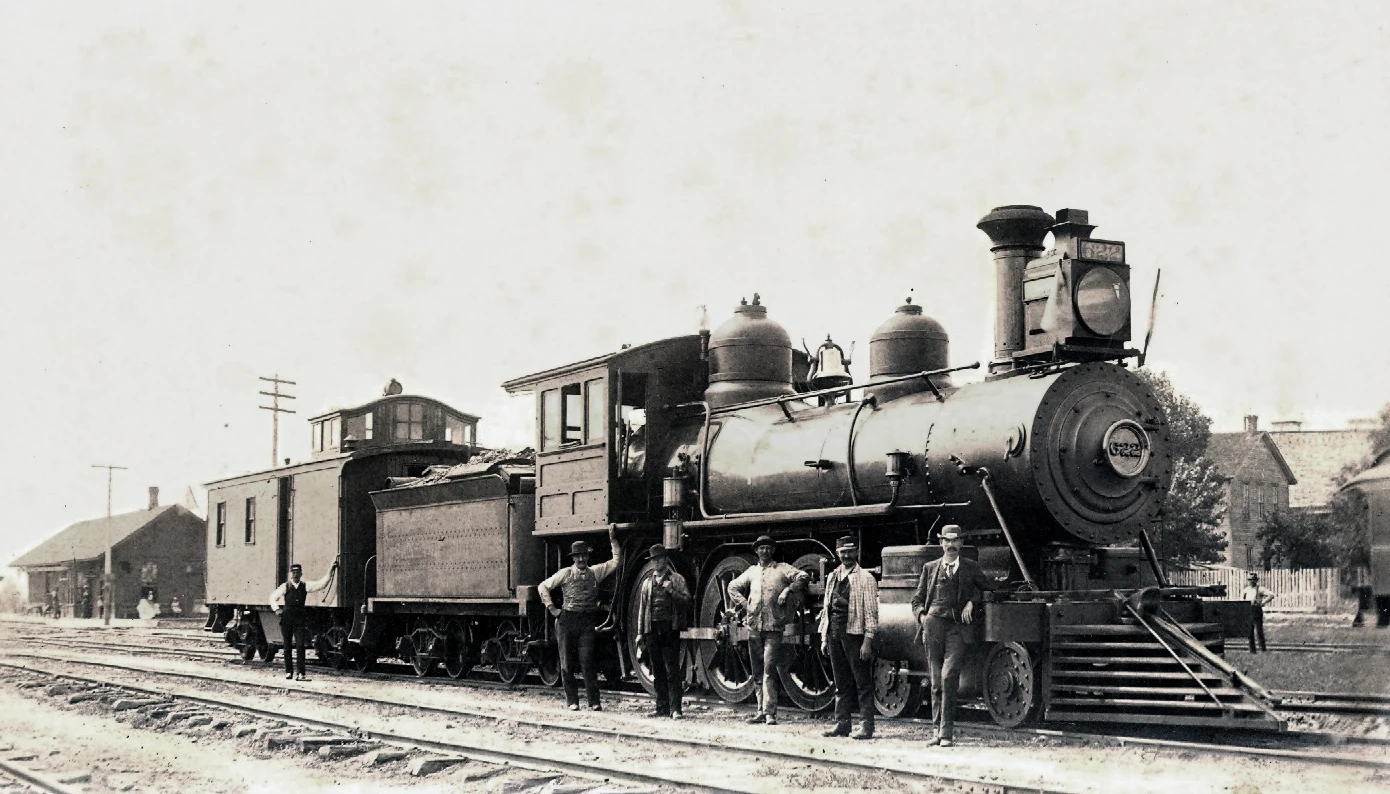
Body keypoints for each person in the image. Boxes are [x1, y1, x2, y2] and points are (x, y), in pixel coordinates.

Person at [911, 525, 991, 747]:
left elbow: (988, 589)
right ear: (941, 544)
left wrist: (971, 602)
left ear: (961, 544)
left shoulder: (971, 567)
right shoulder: (930, 568)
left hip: (957, 628)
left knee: (949, 677)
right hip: (933, 626)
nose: (951, 545)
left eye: (955, 541)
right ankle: (937, 731)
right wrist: (922, 618)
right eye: (947, 541)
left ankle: (946, 733)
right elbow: (916, 600)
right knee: (936, 682)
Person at [539, 525, 622, 711]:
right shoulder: (566, 573)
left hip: (586, 622)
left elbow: (616, 562)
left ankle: (594, 702)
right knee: (567, 663)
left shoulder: (595, 572)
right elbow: (543, 586)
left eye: (584, 555)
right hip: (567, 620)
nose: (582, 559)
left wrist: (613, 541)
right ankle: (572, 701)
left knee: (587, 662)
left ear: (588, 557)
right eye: (578, 556)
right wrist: (552, 609)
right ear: (574, 558)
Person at [727, 535, 809, 725]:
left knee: (769, 668)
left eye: (768, 548)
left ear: (773, 551)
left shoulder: (782, 569)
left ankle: (770, 712)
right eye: (761, 548)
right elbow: (733, 587)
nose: (764, 551)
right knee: (757, 671)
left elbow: (802, 576)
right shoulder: (752, 572)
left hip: (773, 627)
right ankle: (760, 711)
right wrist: (744, 604)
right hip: (754, 626)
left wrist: (788, 590)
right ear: (756, 551)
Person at [818, 535, 878, 740]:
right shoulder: (833, 577)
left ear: (857, 552)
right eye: (843, 552)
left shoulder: (866, 579)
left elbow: (871, 612)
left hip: (855, 634)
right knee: (841, 682)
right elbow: (827, 609)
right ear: (837, 553)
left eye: (851, 551)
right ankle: (842, 723)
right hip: (834, 634)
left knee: (862, 682)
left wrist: (867, 640)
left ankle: (866, 726)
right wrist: (824, 638)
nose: (847, 555)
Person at [634, 543, 690, 719]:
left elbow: (687, 601)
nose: (656, 562)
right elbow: (643, 609)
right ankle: (662, 707)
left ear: (666, 560)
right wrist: (640, 633)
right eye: (654, 560)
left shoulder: (677, 579)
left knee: (673, 669)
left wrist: (672, 591)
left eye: (659, 559)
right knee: (657, 670)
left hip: (670, 628)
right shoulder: (647, 583)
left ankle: (676, 709)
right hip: (652, 629)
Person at [269, 560, 338, 681]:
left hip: (299, 620)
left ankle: (301, 673)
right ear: (291, 574)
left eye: (298, 572)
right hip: (287, 619)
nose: (296, 574)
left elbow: (322, 584)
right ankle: (289, 672)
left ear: (301, 574)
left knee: (300, 646)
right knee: (287, 646)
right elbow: (272, 597)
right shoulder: (285, 586)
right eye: (294, 572)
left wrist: (331, 570)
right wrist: (277, 609)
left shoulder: (305, 585)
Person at [1241, 572, 1275, 653]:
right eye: (1249, 579)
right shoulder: (1245, 590)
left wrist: (1262, 602)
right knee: (1249, 632)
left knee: (1259, 631)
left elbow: (1271, 595)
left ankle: (1263, 649)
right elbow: (1242, 599)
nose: (1251, 581)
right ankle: (1252, 651)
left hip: (1256, 610)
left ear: (1256, 580)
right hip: (1248, 610)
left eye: (1253, 579)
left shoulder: (1260, 589)